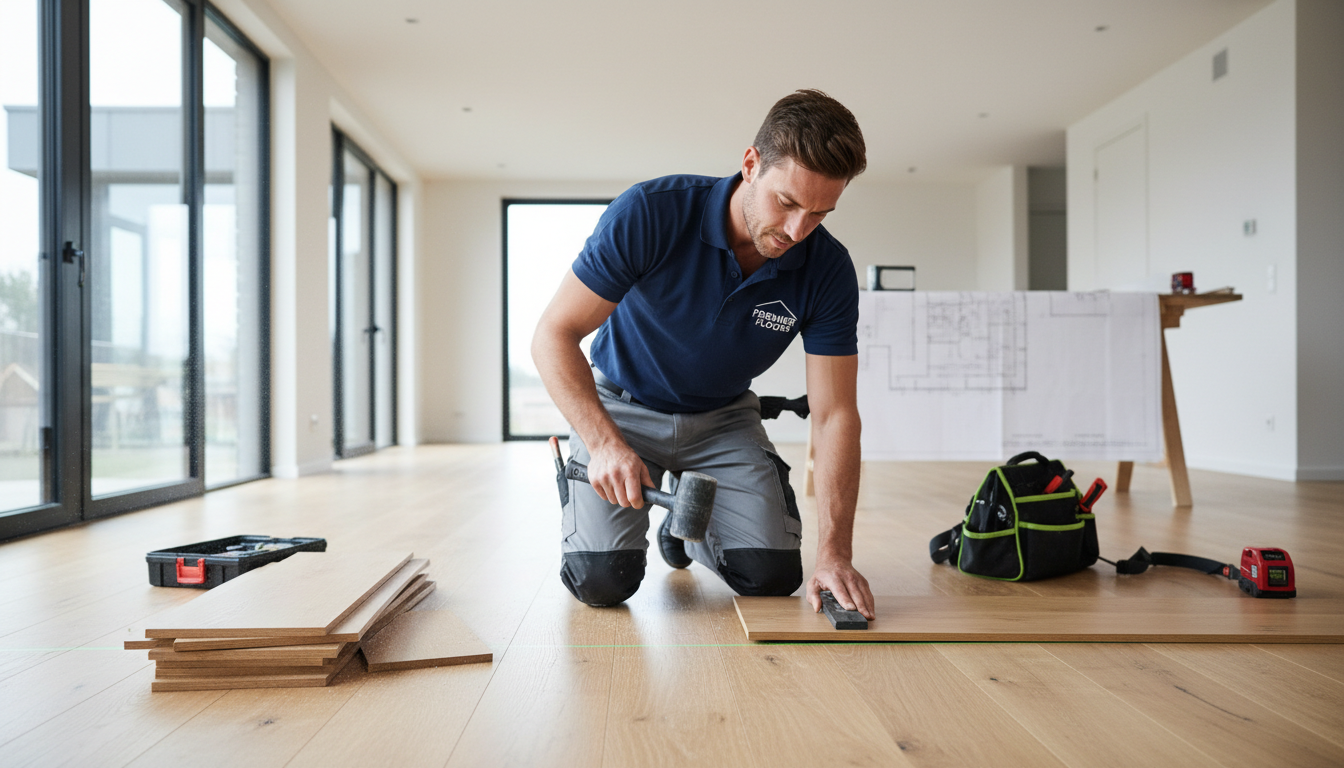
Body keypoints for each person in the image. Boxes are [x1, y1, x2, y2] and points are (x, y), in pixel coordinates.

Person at [531, 89, 874, 620]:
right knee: (602, 582)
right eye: (786, 203)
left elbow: (834, 415)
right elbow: (553, 334)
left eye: (819, 213)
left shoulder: (827, 269)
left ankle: (684, 528)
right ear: (750, 164)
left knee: (771, 576)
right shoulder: (650, 213)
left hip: (723, 420)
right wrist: (602, 444)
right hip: (620, 410)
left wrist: (835, 554)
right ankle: (658, 504)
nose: (796, 231)